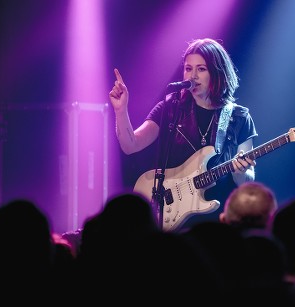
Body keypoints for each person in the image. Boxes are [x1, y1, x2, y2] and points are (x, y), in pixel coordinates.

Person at [109, 38, 257, 231]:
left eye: (201, 69)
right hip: (176, 218)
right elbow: (130, 146)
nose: (192, 76)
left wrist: (240, 170)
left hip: (219, 223)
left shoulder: (239, 118)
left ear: (218, 73)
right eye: (188, 68)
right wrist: (121, 111)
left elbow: (246, 181)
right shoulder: (171, 108)